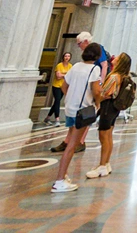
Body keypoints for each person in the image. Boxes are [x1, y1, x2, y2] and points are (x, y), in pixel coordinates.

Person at [51, 42, 103, 193]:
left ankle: (63, 175)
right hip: (82, 111)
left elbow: (64, 86)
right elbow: (96, 90)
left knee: (71, 142)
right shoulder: (94, 69)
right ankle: (59, 180)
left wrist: (72, 97)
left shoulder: (75, 67)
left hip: (70, 109)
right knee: (72, 145)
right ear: (97, 56)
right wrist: (97, 104)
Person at [51, 33, 107, 153]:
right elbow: (65, 85)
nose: (78, 46)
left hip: (89, 91)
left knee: (83, 119)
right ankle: (69, 142)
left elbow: (104, 65)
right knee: (74, 123)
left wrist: (101, 83)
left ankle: (78, 142)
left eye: (79, 44)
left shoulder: (96, 51)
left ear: (86, 41)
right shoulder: (77, 66)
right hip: (78, 95)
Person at [87, 52, 132, 180]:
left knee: (104, 136)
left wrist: (97, 96)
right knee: (109, 136)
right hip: (113, 109)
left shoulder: (114, 76)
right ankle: (106, 163)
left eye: (118, 57)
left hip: (107, 107)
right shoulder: (122, 76)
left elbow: (105, 93)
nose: (114, 57)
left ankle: (102, 165)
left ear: (120, 62)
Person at [44, 52, 72, 125]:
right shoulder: (59, 65)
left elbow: (71, 76)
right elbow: (58, 76)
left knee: (56, 102)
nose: (67, 57)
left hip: (64, 86)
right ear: (63, 57)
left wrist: (63, 75)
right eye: (66, 56)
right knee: (57, 101)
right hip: (56, 86)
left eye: (68, 56)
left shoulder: (70, 66)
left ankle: (47, 118)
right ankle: (57, 119)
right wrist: (66, 75)